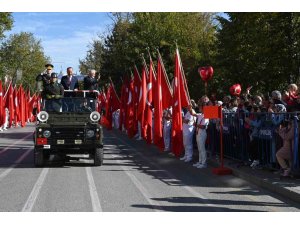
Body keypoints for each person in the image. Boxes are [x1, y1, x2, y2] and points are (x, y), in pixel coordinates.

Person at [193, 102, 210, 168]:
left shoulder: (206, 116)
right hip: (198, 133)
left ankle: (204, 163)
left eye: (200, 107)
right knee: (199, 148)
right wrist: (190, 107)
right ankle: (200, 161)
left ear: (203, 109)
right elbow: (193, 113)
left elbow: (203, 126)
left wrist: (196, 125)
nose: (199, 108)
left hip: (202, 133)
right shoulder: (200, 115)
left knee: (202, 148)